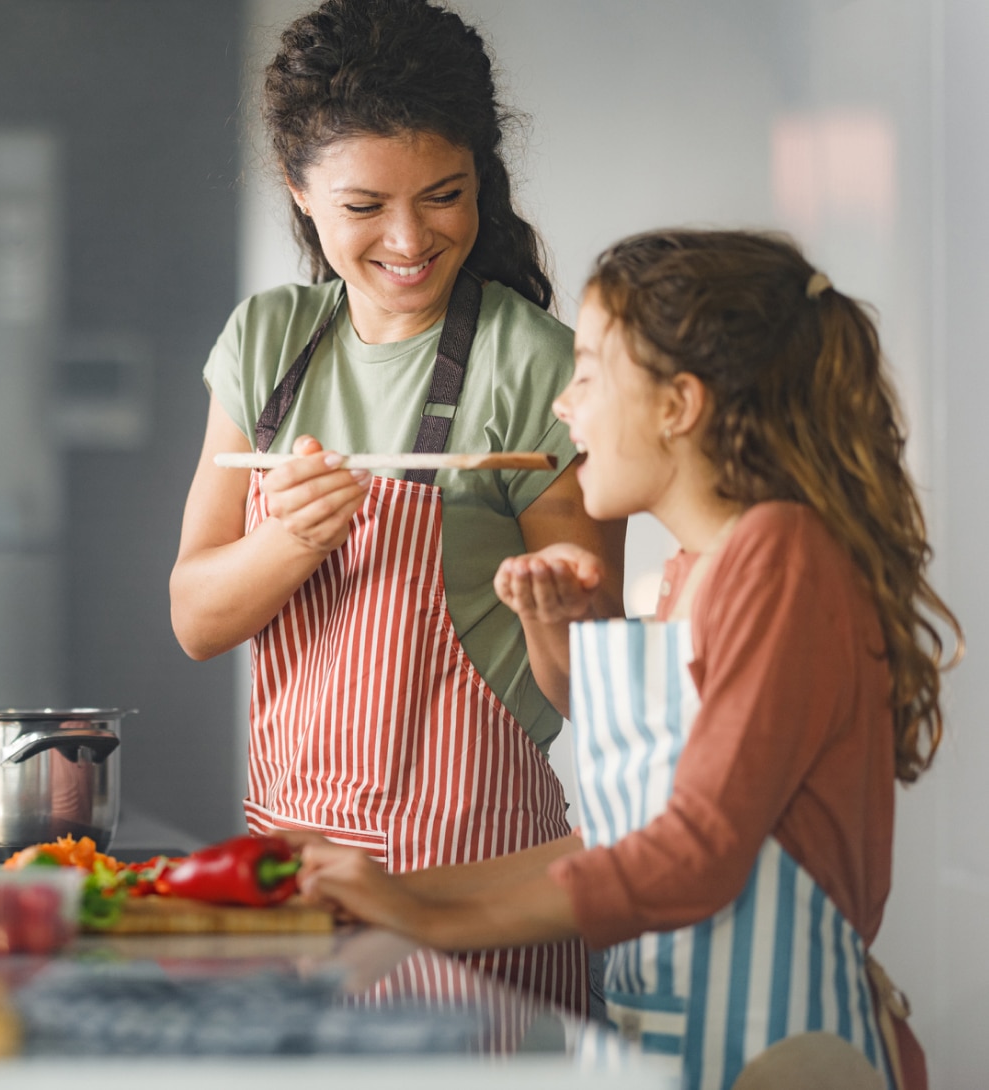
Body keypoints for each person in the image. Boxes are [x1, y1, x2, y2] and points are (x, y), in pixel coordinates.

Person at [296, 229, 959, 1090]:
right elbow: (621, 834)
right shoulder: (685, 574)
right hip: (687, 1045)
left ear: (678, 404)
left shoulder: (780, 554)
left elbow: (697, 852)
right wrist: (397, 888)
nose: (565, 408)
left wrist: (429, 921)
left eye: (587, 372)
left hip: (790, 1055)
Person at [170, 0, 623, 1011]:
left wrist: (562, 612)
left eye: (444, 195)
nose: (410, 238)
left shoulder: (536, 364)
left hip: (476, 876)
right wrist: (287, 539)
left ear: (479, 176)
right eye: (363, 205)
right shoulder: (266, 344)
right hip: (288, 860)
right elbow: (196, 618)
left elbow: (587, 692)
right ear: (298, 190)